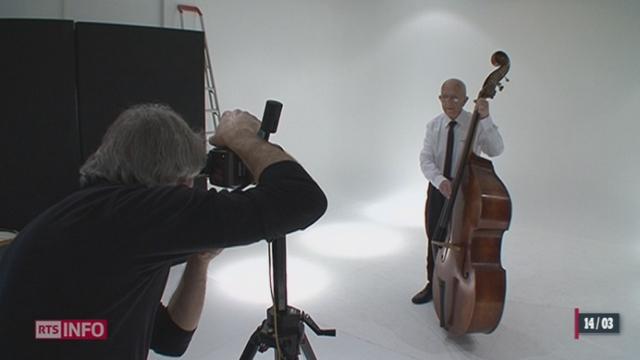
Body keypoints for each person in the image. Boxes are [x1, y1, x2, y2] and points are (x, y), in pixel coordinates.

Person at [0, 104, 327, 359]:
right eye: (185, 179)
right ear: (162, 176)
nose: (190, 188)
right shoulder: (136, 215)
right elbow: (302, 199)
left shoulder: (98, 217)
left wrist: (199, 262)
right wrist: (240, 136)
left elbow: (170, 339)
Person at [412, 79, 504, 304]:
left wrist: (486, 118)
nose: (449, 102)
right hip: (439, 189)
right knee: (435, 236)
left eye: (454, 97)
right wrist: (440, 181)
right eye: (444, 96)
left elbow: (496, 149)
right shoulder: (433, 126)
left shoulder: (476, 123)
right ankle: (433, 284)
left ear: (465, 100)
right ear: (439, 98)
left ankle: (461, 286)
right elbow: (426, 159)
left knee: (465, 240)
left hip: (467, 192)